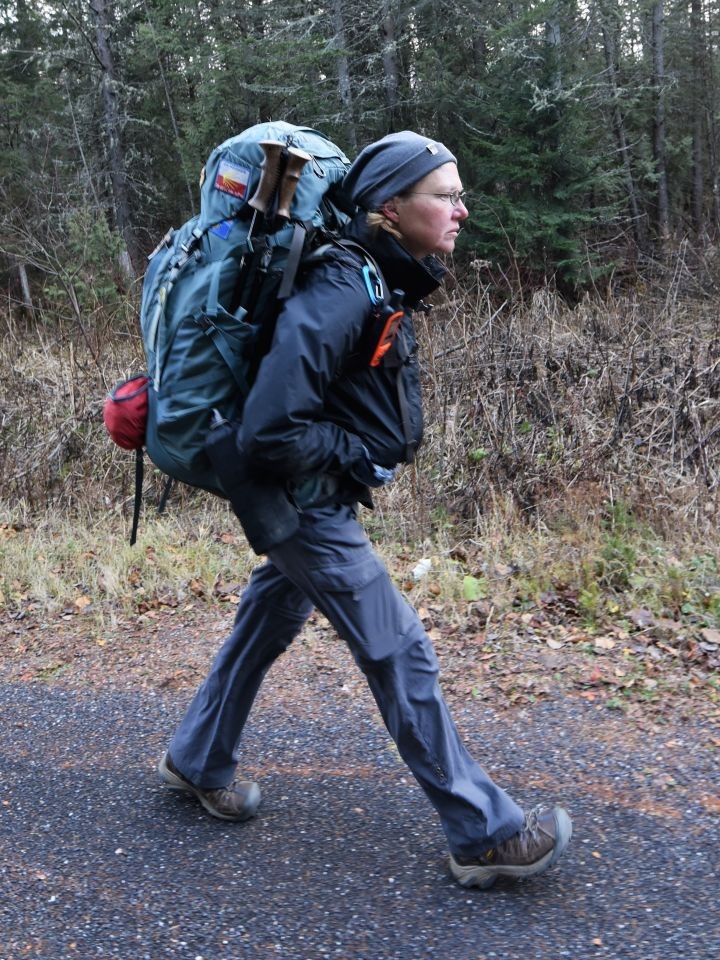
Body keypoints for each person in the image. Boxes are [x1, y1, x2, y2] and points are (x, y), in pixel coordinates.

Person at [157, 131, 572, 890]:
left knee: (270, 618)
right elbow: (270, 430)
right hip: (307, 502)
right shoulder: (344, 285)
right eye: (443, 195)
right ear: (390, 207)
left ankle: (196, 757)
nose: (461, 210)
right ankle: (483, 832)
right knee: (399, 648)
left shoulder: (377, 275)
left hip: (311, 494)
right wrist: (361, 456)